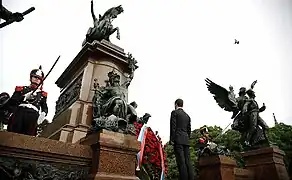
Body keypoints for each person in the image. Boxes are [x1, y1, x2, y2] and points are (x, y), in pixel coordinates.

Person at [7, 66, 48, 136]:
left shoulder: (42, 94)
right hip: (20, 113)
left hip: (33, 116)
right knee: (14, 133)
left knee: (29, 136)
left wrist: (44, 113)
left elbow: (44, 106)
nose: (37, 79)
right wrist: (24, 97)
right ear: (31, 78)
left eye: (39, 78)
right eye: (35, 77)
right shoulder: (21, 89)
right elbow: (12, 102)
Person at [170, 98, 194, 180]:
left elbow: (173, 127)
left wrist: (172, 139)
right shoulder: (187, 116)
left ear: (176, 104)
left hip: (178, 139)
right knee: (188, 161)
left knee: (181, 161)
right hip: (186, 140)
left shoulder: (174, 113)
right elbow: (189, 129)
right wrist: (188, 138)